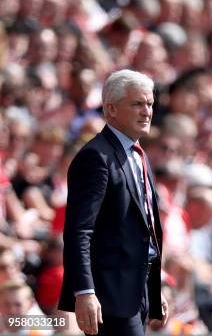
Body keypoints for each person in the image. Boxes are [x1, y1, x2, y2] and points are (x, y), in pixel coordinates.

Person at [58, 69, 169, 335]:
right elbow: (79, 231)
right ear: (111, 109)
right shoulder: (96, 157)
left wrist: (153, 290)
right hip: (109, 296)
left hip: (136, 292)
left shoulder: (138, 154)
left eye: (150, 104)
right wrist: (85, 292)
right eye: (137, 104)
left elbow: (145, 229)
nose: (147, 111)